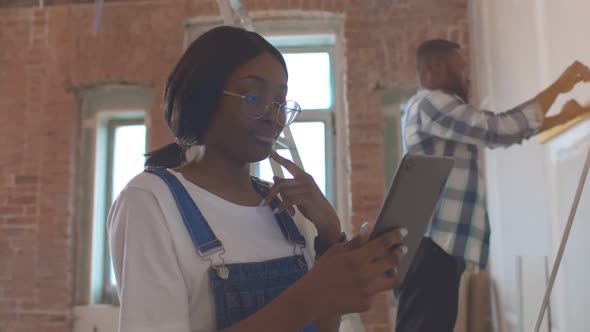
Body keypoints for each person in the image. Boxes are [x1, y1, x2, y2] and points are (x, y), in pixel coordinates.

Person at [107, 25, 407, 332]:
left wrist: (329, 236)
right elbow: (308, 304)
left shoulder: (287, 208)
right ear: (205, 96)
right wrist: (309, 297)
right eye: (253, 97)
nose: (273, 116)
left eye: (280, 101)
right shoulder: (150, 201)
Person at [397, 38, 590, 332]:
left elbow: (506, 133)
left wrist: (562, 116)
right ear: (435, 67)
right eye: (460, 67)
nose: (467, 76)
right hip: (432, 249)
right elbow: (497, 130)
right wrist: (561, 86)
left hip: (436, 249)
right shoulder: (430, 102)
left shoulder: (428, 111)